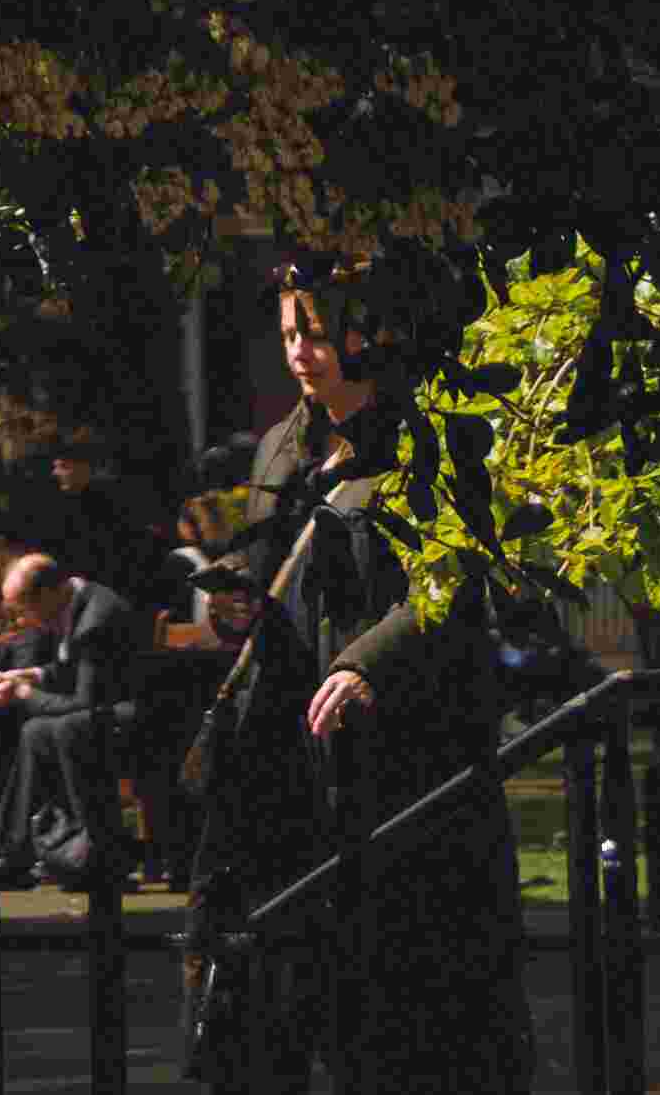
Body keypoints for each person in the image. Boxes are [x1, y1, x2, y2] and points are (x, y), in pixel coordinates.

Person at [179, 261, 531, 1095]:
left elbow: (453, 578)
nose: (303, 353)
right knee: (282, 950)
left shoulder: (425, 440)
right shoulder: (281, 444)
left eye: (320, 334)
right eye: (292, 334)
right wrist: (236, 594)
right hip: (288, 737)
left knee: (400, 964)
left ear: (365, 336)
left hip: (403, 745)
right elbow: (275, 568)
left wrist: (368, 663)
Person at [0, 552, 149, 886]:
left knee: (61, 729)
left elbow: (86, 701)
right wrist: (34, 675)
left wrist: (27, 696)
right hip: (102, 710)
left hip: (133, 716)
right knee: (35, 731)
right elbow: (72, 670)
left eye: (24, 609)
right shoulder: (73, 605)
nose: (23, 620)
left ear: (47, 594)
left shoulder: (95, 619)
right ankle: (17, 852)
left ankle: (95, 850)